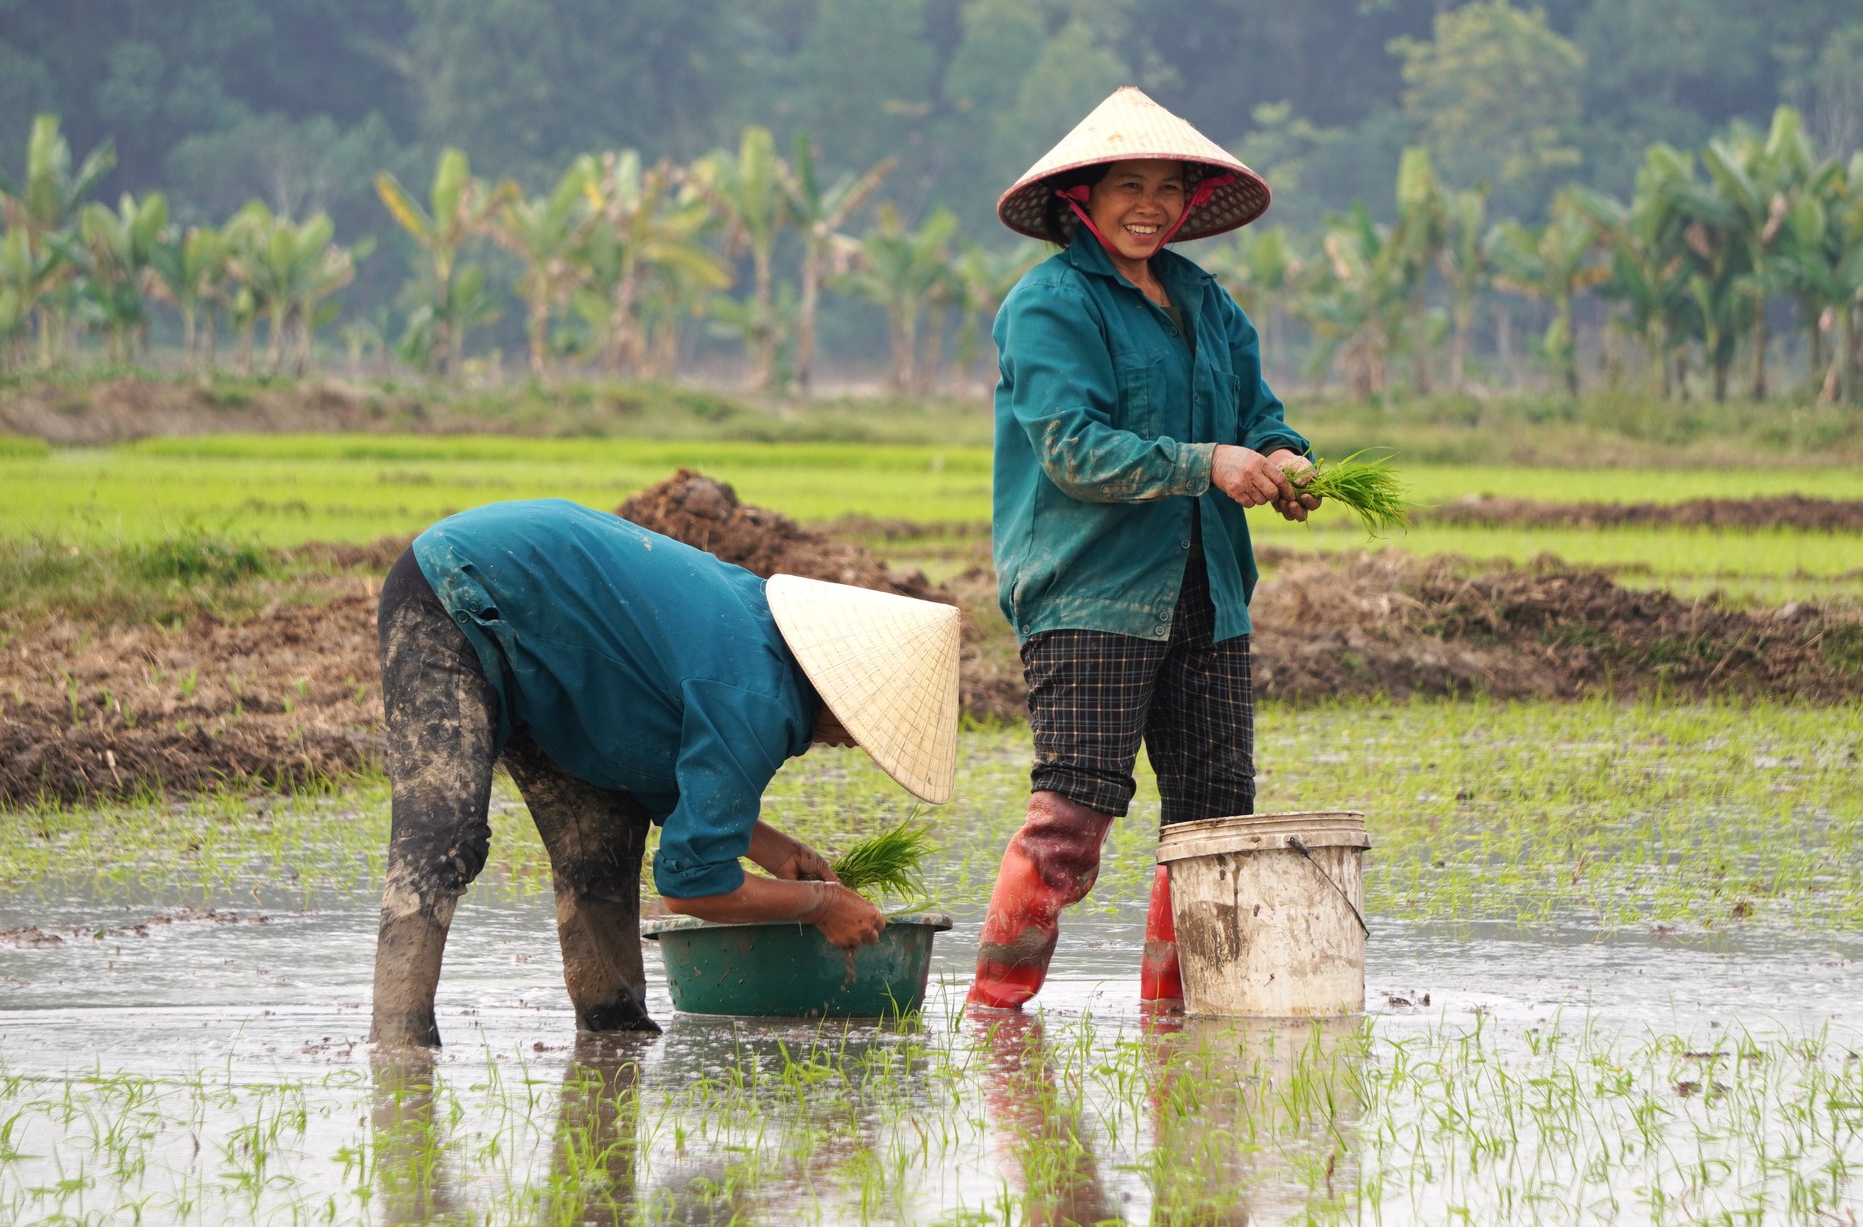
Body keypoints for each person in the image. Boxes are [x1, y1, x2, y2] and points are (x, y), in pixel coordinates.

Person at [369, 498, 962, 1046]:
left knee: (602, 851)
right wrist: (821, 903)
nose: (850, 744)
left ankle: (613, 1042)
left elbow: (655, 755)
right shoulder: (756, 697)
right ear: (838, 690)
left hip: (562, 657)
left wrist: (771, 848)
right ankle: (398, 1048)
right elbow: (693, 886)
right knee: (442, 839)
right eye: (861, 726)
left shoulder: (759, 647)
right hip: (458, 585)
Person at [969, 86, 1317, 1014]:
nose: (1150, 205)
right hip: (1091, 593)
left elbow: (1261, 416)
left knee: (1213, 829)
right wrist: (1210, 462)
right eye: (1129, 184)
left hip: (1212, 591)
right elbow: (1073, 450)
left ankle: (1180, 1022)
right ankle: (997, 1014)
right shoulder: (1048, 305)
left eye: (1169, 187)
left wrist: (1284, 457)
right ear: (1082, 197)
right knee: (1072, 817)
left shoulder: (1208, 302)